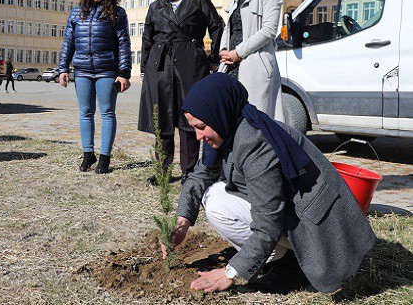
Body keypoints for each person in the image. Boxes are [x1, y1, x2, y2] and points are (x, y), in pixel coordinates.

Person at [160, 72, 375, 294]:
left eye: (201, 126)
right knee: (212, 195)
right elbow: (200, 174)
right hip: (291, 212)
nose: (198, 136)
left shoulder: (254, 143)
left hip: (320, 230)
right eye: (194, 127)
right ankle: (282, 256)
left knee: (216, 203)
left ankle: (290, 263)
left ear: (219, 114)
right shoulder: (226, 128)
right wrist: (182, 221)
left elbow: (268, 224)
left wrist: (230, 272)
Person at [138, 0, 224, 184]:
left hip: (191, 65)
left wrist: (213, 58)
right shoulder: (155, 7)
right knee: (162, 120)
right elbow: (147, 39)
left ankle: (189, 173)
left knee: (189, 120)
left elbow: (216, 26)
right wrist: (145, 69)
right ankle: (162, 172)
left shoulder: (199, 0)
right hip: (159, 67)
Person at [59, 0, 131, 174]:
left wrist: (124, 72)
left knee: (107, 113)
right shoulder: (76, 12)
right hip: (82, 71)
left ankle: (105, 157)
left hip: (107, 71)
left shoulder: (117, 13)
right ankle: (88, 154)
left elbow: (123, 44)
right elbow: (68, 43)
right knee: (85, 113)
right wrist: (63, 68)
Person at [219, 0, 284, 120]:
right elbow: (230, 25)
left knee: (256, 121)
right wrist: (223, 50)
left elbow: (269, 30)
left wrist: (238, 53)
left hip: (255, 63)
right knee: (230, 118)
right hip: (231, 64)